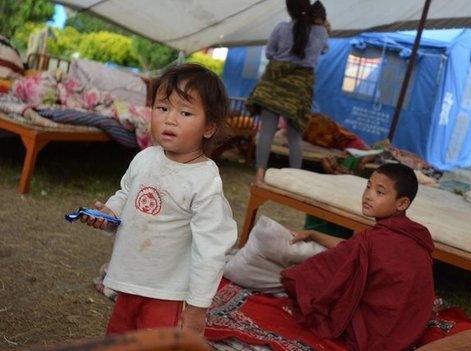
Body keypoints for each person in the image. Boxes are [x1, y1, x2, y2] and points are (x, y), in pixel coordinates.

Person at [80, 63, 238, 335]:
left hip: (168, 292)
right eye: (162, 108)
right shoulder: (145, 158)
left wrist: (197, 308)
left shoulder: (204, 181)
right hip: (129, 280)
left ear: (209, 127)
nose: (170, 119)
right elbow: (126, 195)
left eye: (185, 112)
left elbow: (211, 249)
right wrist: (109, 214)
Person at [282, 163, 435, 350]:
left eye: (380, 192)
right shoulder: (411, 233)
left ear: (402, 203)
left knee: (307, 279)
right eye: (368, 186)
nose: (368, 195)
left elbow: (346, 254)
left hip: (377, 333)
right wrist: (314, 235)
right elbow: (352, 249)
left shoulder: (374, 239)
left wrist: (295, 277)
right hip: (410, 328)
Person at [246, 0, 329, 184]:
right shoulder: (321, 32)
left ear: (289, 10)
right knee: (294, 136)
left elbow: (269, 53)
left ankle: (260, 176)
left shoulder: (281, 28)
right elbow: (323, 49)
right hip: (298, 89)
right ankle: (295, 180)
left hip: (274, 84)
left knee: (267, 132)